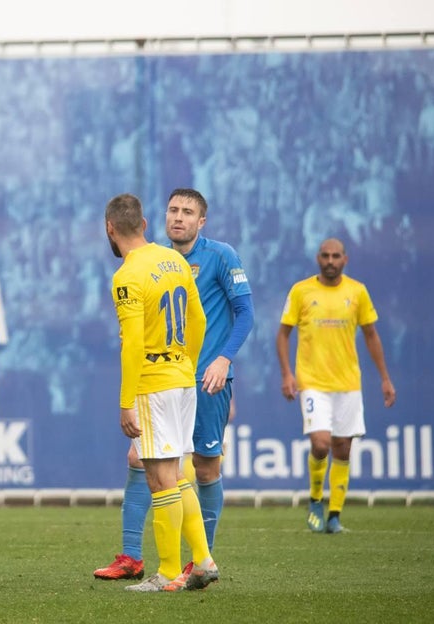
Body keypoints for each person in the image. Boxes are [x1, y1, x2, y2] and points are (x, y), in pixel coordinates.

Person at [94, 188, 254, 583]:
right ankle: (203, 560)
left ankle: (167, 572)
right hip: (185, 380)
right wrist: (187, 361)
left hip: (155, 382)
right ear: (147, 223)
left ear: (110, 228)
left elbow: (132, 344)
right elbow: (197, 319)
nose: (178, 217)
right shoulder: (172, 260)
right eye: (173, 210)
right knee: (178, 474)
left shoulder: (128, 274)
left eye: (188, 212)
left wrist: (125, 400)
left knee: (162, 476)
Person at [276, 238, 396, 534]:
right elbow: (283, 335)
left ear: (345, 259)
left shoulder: (357, 292)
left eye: (336, 256)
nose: (330, 260)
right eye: (325, 256)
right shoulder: (302, 291)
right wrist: (287, 375)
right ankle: (316, 499)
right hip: (313, 382)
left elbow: (371, 335)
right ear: (318, 258)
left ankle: (334, 515)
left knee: (343, 448)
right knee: (320, 443)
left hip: (348, 383)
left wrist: (384, 378)